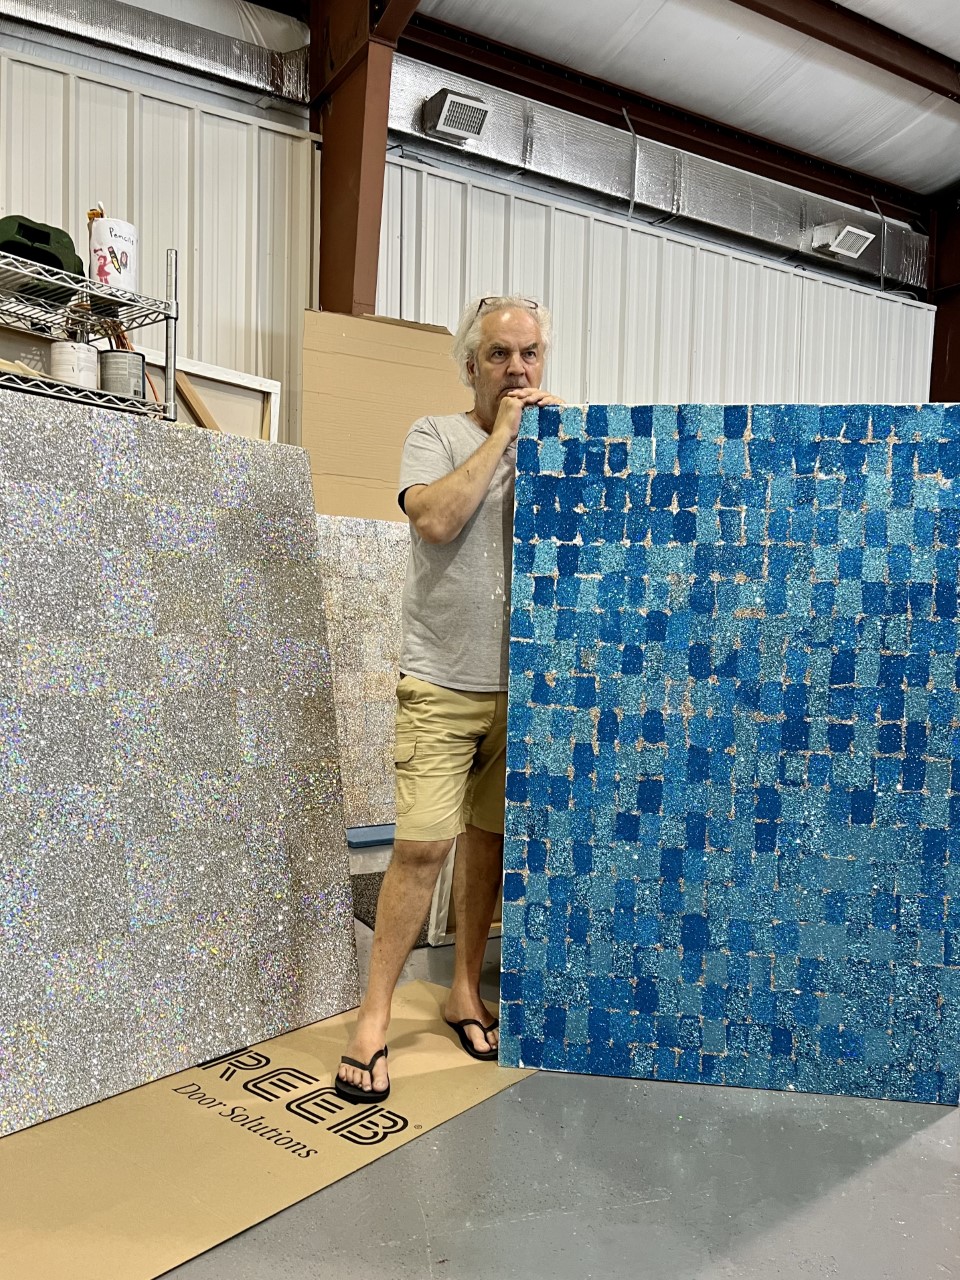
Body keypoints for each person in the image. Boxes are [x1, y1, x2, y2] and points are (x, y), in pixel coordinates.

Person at [335, 294, 564, 1103]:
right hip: (441, 681)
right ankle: (373, 1020)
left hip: (527, 685)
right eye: (499, 355)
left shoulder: (563, 443)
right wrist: (501, 438)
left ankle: (466, 987)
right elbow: (433, 521)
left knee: (488, 841)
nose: (517, 369)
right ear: (471, 366)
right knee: (424, 846)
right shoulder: (437, 435)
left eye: (529, 353)